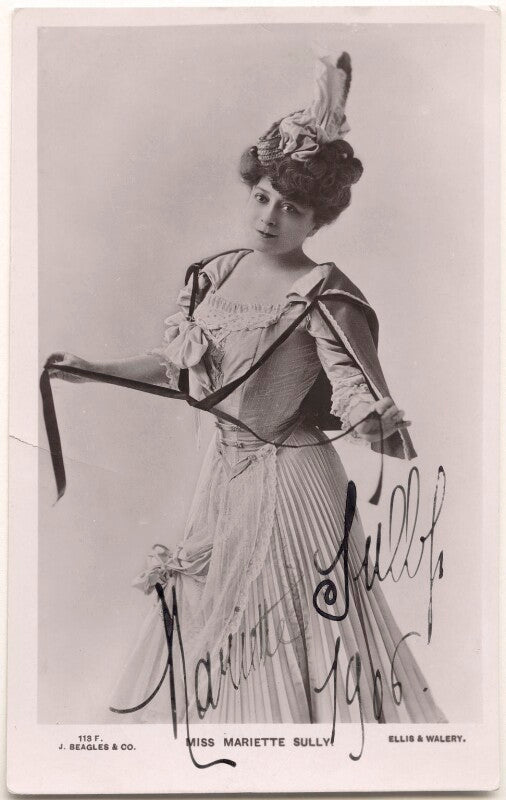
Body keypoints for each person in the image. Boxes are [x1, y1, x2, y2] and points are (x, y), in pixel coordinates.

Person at [48, 53, 445, 725]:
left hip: (296, 478)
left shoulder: (322, 290)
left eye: (292, 208)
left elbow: (352, 388)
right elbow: (180, 368)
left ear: (316, 222)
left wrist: (373, 421)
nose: (270, 216)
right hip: (224, 477)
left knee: (298, 627)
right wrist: (90, 367)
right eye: (262, 197)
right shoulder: (215, 273)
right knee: (214, 617)